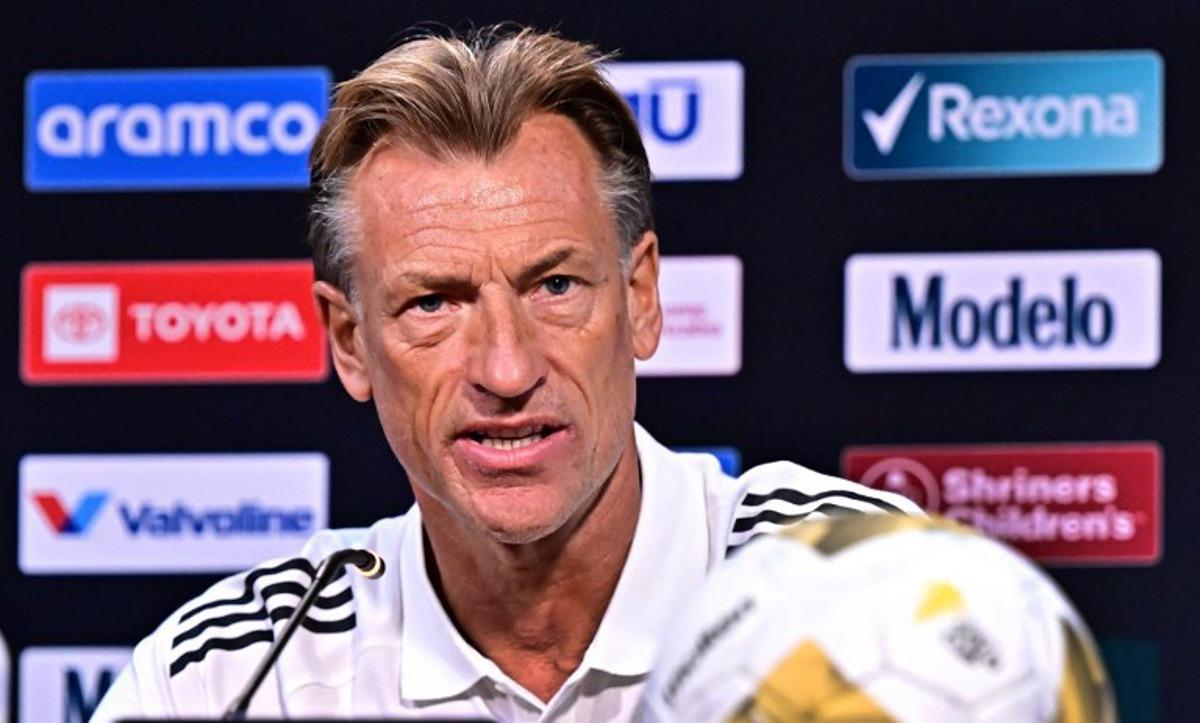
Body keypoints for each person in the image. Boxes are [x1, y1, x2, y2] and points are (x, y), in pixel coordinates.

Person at [92, 25, 918, 722]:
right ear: (349, 341)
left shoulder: (871, 588)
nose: (507, 367)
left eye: (554, 286)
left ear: (641, 298)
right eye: (433, 303)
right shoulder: (226, 683)